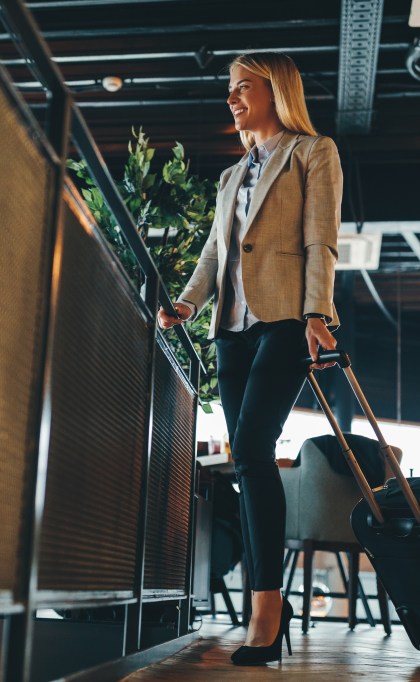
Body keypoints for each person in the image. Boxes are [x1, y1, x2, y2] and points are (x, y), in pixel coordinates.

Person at [158, 52, 343, 666]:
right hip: (231, 330)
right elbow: (216, 251)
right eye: (229, 89)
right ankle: (268, 605)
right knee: (246, 457)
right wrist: (187, 305)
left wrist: (318, 314)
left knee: (255, 448)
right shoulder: (231, 175)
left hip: (286, 320)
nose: (232, 98)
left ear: (276, 89)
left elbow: (321, 239)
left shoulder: (313, 152)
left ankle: (266, 609)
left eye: (243, 87)